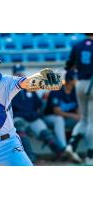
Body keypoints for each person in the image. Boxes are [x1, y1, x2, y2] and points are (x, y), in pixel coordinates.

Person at [11, 64, 64, 161]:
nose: (20, 75)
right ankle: (29, 156)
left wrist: (45, 98)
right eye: (17, 73)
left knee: (45, 132)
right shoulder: (10, 90)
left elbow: (39, 105)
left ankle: (60, 153)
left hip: (33, 118)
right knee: (20, 127)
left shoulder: (30, 88)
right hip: (19, 118)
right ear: (13, 75)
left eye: (21, 73)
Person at [65, 33, 93, 165]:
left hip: (80, 83)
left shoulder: (77, 45)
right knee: (91, 122)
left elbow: (68, 65)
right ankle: (90, 156)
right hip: (92, 83)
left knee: (84, 119)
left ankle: (71, 145)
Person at [44, 70, 81, 163]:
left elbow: (78, 111)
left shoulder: (75, 92)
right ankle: (64, 149)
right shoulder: (57, 91)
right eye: (75, 79)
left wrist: (80, 117)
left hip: (67, 119)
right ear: (69, 80)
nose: (77, 81)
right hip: (50, 118)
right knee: (59, 120)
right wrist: (73, 115)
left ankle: (72, 148)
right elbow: (57, 112)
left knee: (82, 123)